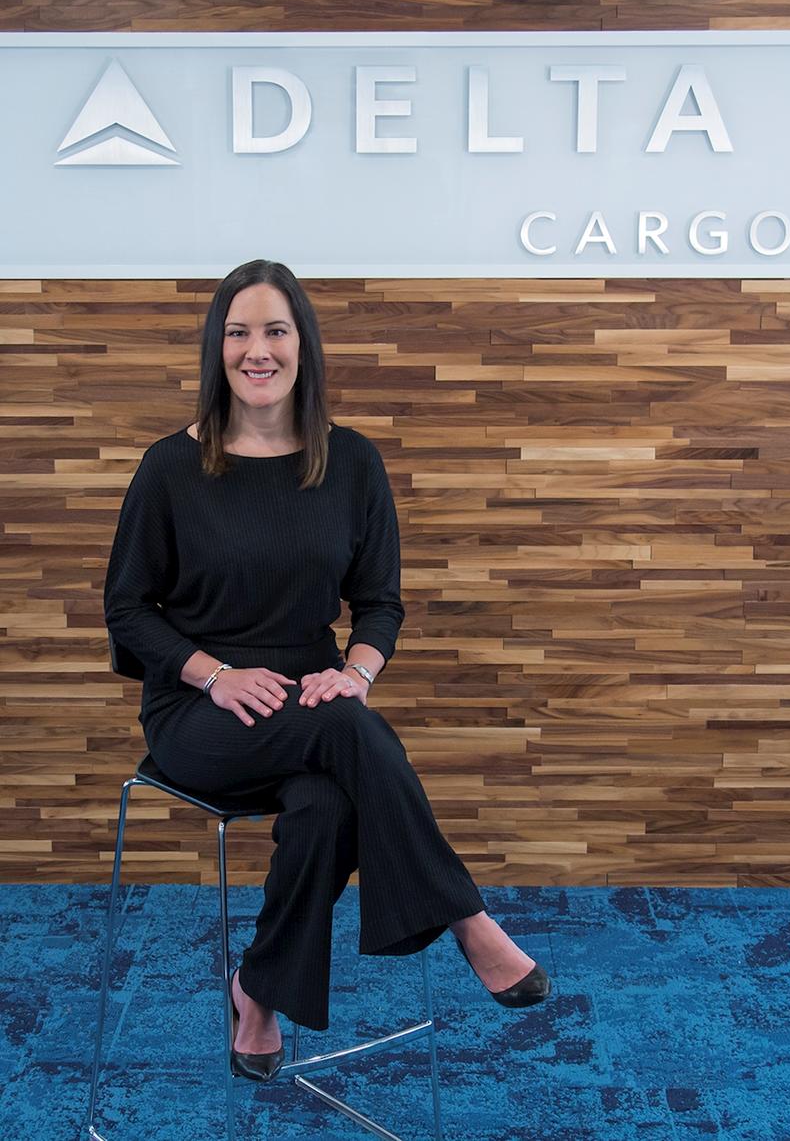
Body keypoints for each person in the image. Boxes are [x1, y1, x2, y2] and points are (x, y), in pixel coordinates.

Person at [103, 258, 552, 1082]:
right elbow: (127, 609)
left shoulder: (350, 461)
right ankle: (466, 918)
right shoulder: (169, 466)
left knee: (327, 804)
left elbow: (379, 603)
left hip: (314, 704)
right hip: (199, 713)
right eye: (239, 332)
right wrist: (213, 674)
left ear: (303, 344)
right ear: (216, 349)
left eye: (275, 330)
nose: (257, 350)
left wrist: (357, 672)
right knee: (347, 732)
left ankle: (257, 991)